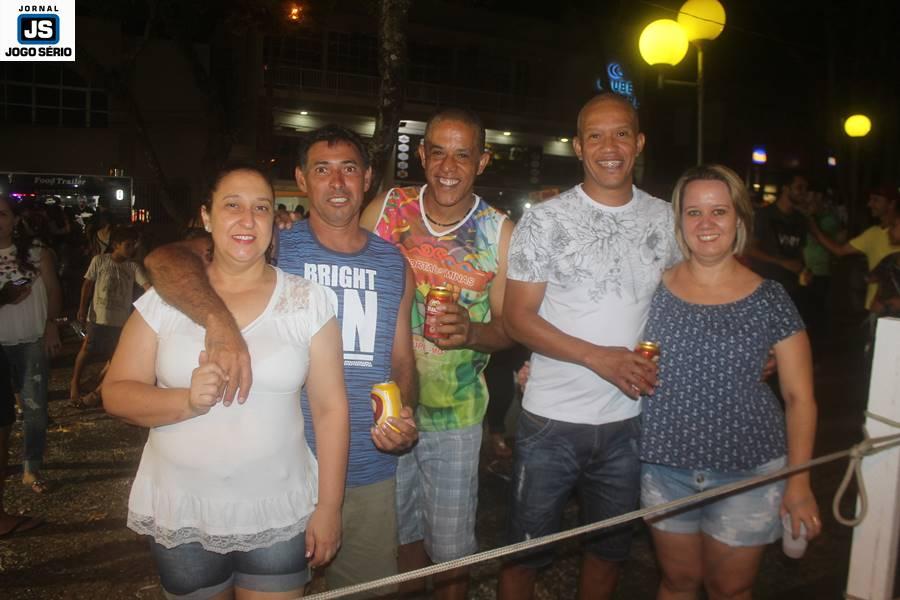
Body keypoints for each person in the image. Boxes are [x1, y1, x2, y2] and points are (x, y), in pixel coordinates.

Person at [144, 126, 420, 598]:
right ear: (302, 179)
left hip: (366, 469)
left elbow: (401, 360)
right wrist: (219, 321)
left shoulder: (394, 264)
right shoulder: (271, 243)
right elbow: (164, 260)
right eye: (322, 169)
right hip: (277, 472)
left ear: (368, 178)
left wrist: (404, 416)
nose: (337, 182)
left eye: (349, 169)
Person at [102, 166, 349, 600]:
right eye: (232, 205)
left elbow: (330, 409)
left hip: (279, 510)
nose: (247, 220)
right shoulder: (164, 301)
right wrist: (186, 402)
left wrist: (329, 507)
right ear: (207, 216)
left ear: (274, 220)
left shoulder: (308, 300)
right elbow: (116, 393)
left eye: (261, 208)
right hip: (184, 510)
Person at [499, 93, 680, 600]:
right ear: (578, 147)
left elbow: (688, 299)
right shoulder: (545, 221)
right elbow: (517, 318)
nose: (609, 147)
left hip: (630, 421)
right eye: (595, 136)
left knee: (609, 552)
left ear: (638, 143)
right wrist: (597, 357)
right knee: (523, 554)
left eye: (621, 134)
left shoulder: (667, 220)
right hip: (551, 420)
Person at [640, 164, 821, 599]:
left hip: (750, 471)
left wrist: (799, 483)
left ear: (739, 218)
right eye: (694, 212)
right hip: (664, 467)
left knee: (732, 589)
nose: (706, 223)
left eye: (719, 211)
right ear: (679, 221)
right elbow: (608, 344)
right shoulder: (649, 289)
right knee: (677, 583)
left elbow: (800, 397)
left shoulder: (771, 298)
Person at [360, 107, 514, 600]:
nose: (449, 166)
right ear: (422, 154)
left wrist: (472, 331)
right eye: (439, 152)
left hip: (456, 414)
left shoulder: (498, 232)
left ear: (482, 161)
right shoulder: (387, 209)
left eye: (463, 155)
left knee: (450, 551)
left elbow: (509, 328)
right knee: (400, 536)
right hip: (389, 405)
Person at [0, 194, 63, 496]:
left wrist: (52, 326)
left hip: (31, 341)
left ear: (15, 219)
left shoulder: (37, 253)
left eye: (2, 214)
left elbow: (54, 291)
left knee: (35, 408)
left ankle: (31, 467)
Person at [70, 226, 150, 407]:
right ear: (115, 245)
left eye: (133, 245)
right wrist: (82, 308)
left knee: (116, 356)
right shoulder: (99, 260)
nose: (132, 249)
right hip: (98, 317)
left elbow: (147, 287)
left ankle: (98, 390)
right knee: (87, 349)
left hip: (120, 321)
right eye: (128, 245)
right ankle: (74, 383)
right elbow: (87, 285)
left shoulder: (133, 267)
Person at [807, 184, 900, 313]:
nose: (870, 204)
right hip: (878, 309)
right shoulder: (873, 234)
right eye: (870, 200)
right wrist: (815, 229)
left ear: (891, 204)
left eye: (876, 200)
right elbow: (840, 251)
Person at [746, 171, 810, 304]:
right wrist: (781, 262)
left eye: (805, 188)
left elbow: (799, 250)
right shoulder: (764, 215)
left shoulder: (801, 220)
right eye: (799, 188)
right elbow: (749, 249)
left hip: (791, 288)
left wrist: (804, 270)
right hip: (764, 285)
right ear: (786, 189)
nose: (804, 192)